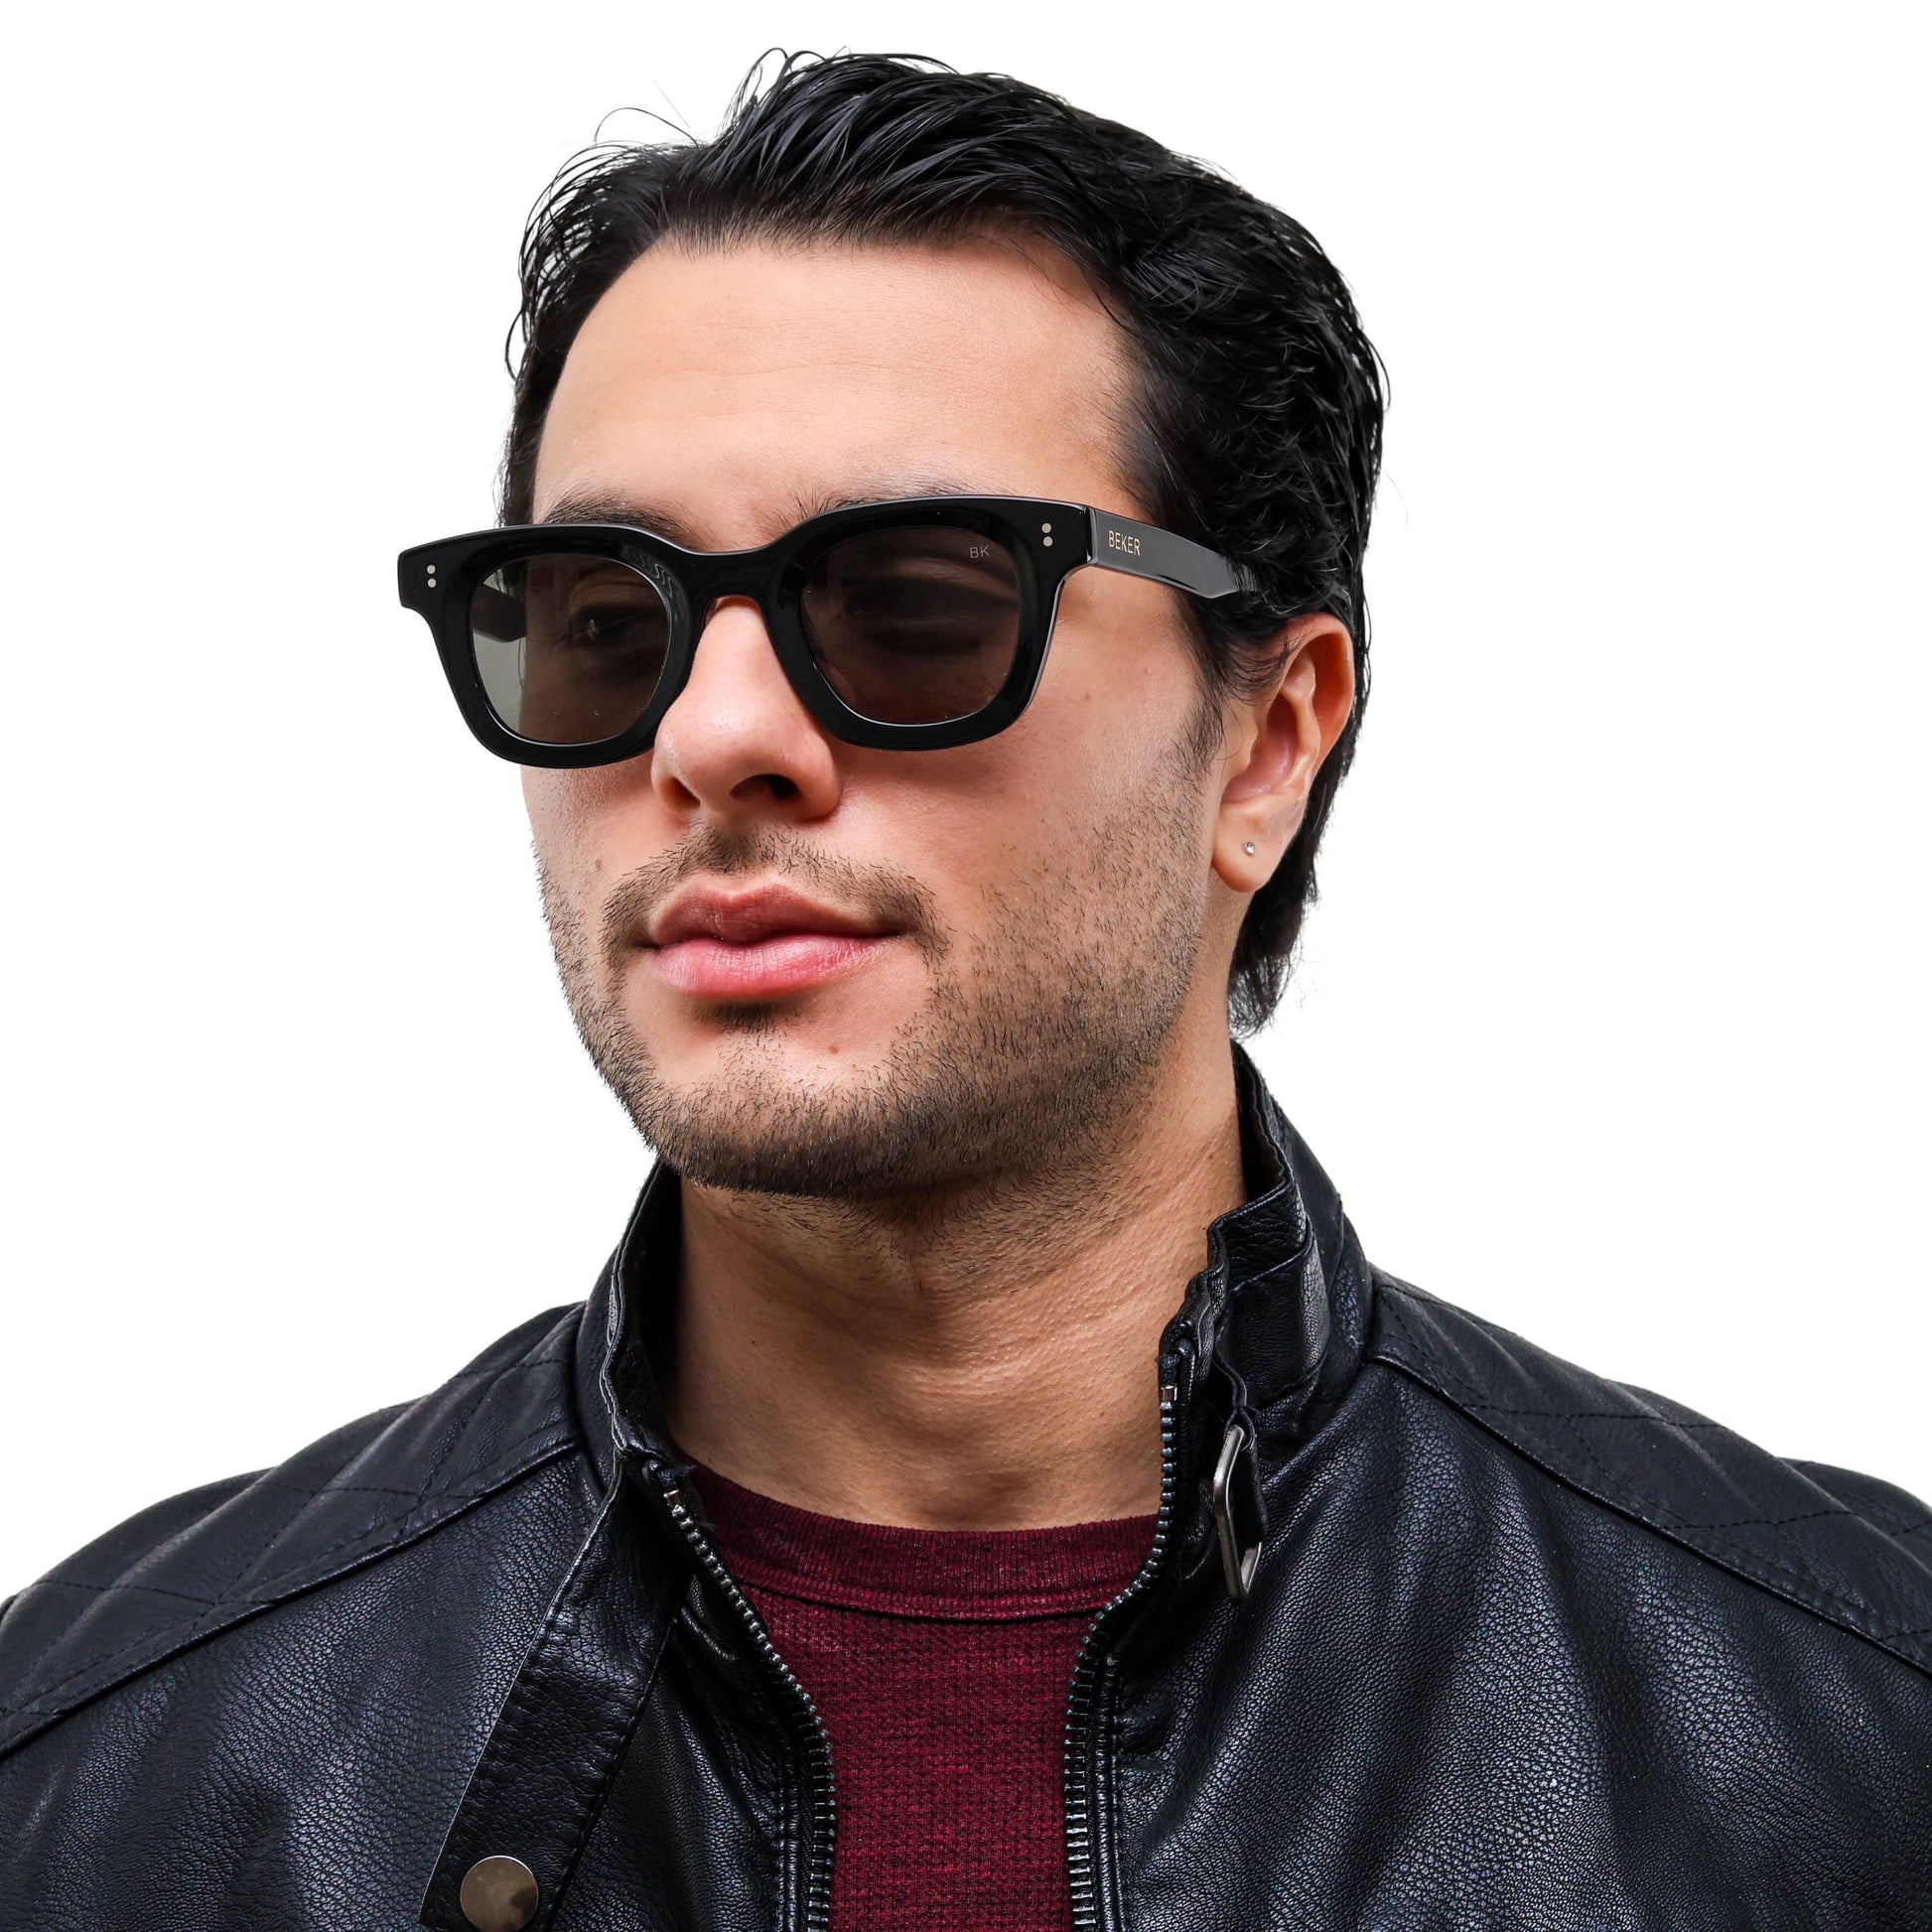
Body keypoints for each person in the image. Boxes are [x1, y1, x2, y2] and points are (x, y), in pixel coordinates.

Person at [3, 51, 1927, 1932]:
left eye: (915, 604)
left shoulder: (1843, 1737)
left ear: (1266, 740)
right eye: (602, 622)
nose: (713, 737)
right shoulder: (106, 1779)